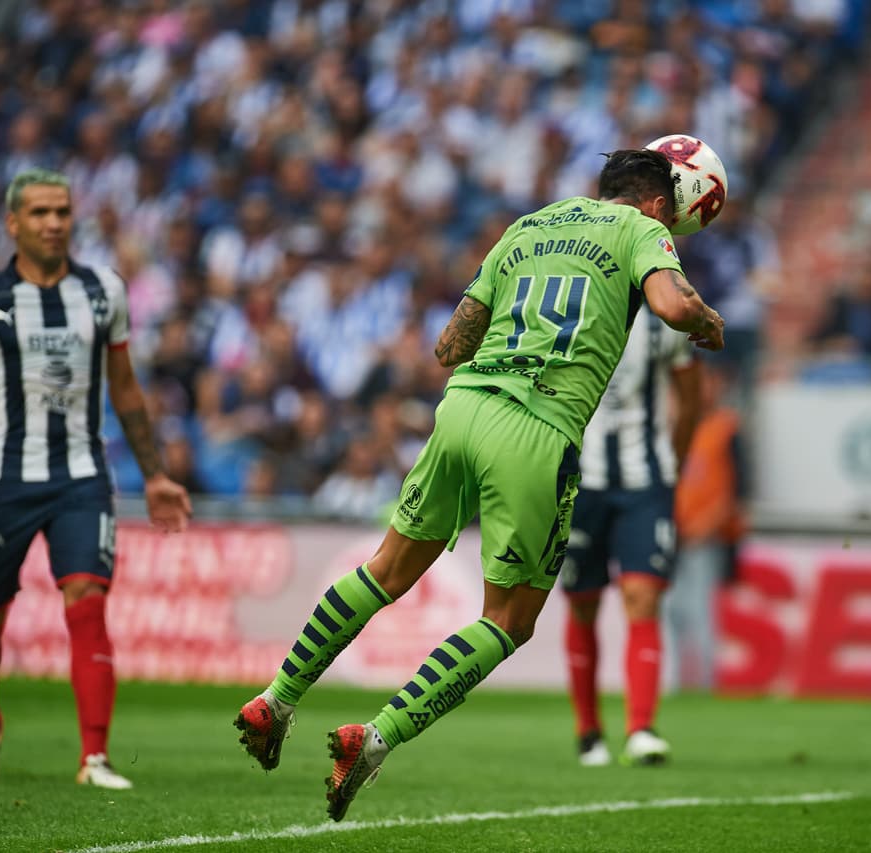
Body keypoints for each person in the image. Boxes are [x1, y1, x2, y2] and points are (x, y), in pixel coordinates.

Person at [234, 148, 725, 821]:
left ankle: (275, 698)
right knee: (510, 620)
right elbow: (670, 303)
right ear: (655, 203)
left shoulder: (527, 226)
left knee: (384, 568)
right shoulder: (643, 230)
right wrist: (705, 320)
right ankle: (373, 740)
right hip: (537, 430)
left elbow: (449, 345)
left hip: (462, 408)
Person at [0, 168, 192, 788]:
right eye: (40, 213)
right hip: (4, 479)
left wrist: (155, 475)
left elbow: (127, 388)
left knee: (87, 597)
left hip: (82, 476)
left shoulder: (103, 291)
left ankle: (94, 758)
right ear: (13, 223)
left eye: (62, 211)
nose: (54, 223)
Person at [559, 303, 701, 767]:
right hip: (581, 481)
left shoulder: (666, 315)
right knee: (583, 602)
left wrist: (671, 463)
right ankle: (588, 732)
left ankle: (640, 728)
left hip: (645, 483)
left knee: (642, 596)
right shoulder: (570, 309)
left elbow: (691, 395)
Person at [666, 359, 747, 691]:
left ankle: (705, 685)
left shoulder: (726, 428)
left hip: (705, 538)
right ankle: (670, 685)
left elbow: (736, 492)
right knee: (669, 611)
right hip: (672, 535)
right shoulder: (671, 428)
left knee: (700, 612)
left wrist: (705, 526)